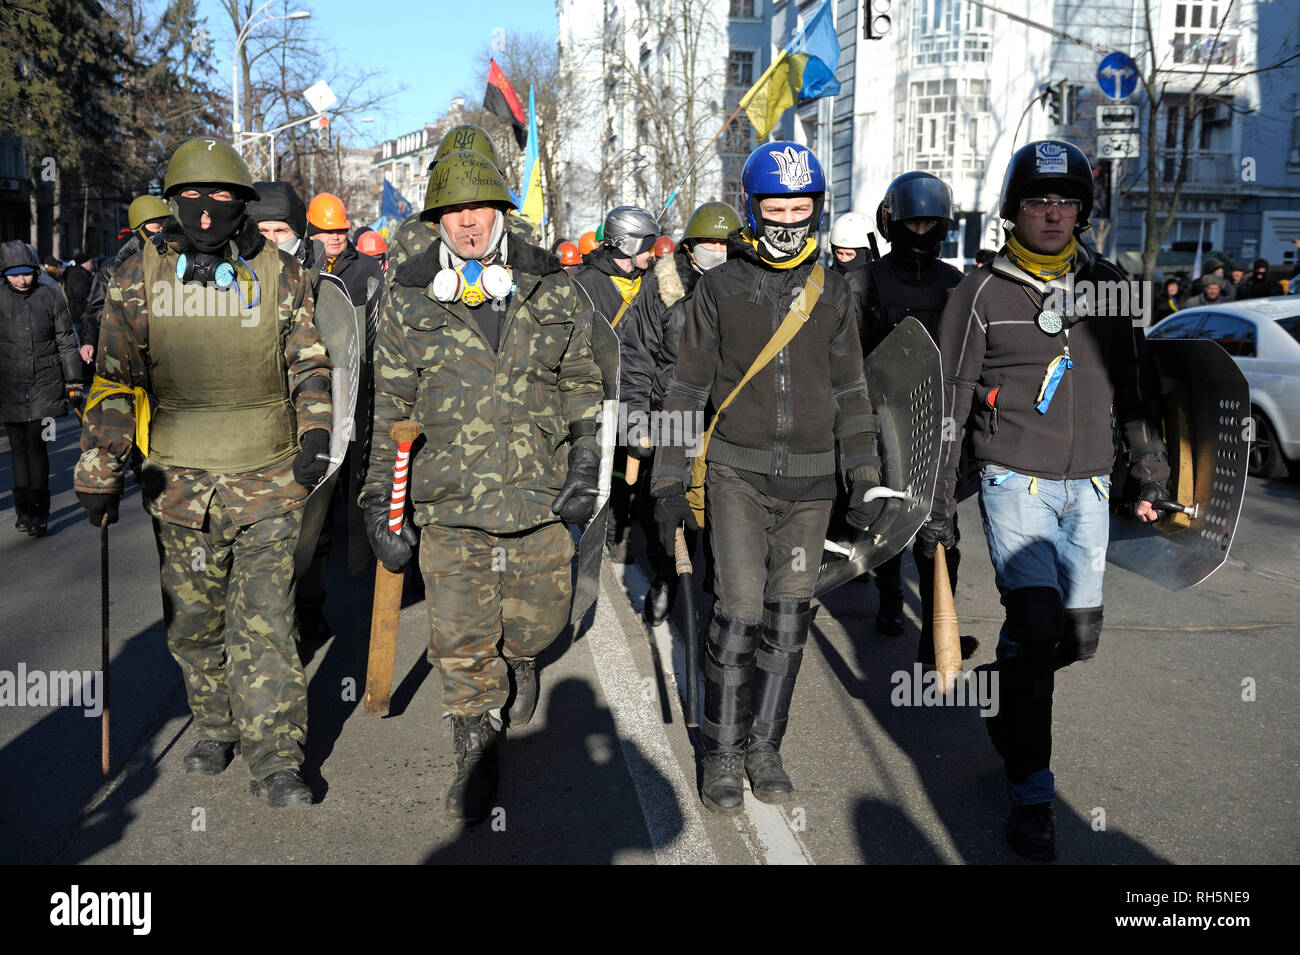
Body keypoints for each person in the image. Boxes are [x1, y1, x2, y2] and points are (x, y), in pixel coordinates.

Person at [925, 140, 1169, 860]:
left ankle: (1009, 683)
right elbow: (950, 396)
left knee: (1075, 640)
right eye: (1039, 200)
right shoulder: (978, 294)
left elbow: (1135, 388)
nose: (1054, 213)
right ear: (1014, 210)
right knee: (1035, 623)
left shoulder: (1109, 286)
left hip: (1091, 482)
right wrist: (936, 498)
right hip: (1015, 478)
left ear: (1082, 211)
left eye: (1066, 201)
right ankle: (1032, 796)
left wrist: (1148, 469)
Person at [73, 137, 333, 808]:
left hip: (269, 476)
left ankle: (277, 757)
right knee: (193, 621)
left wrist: (316, 433)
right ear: (172, 202)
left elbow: (308, 360)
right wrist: (101, 461)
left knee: (267, 621)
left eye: (223, 197)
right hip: (180, 481)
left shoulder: (280, 272)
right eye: (191, 197)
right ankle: (215, 724)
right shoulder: (137, 278)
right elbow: (114, 381)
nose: (207, 210)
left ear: (243, 203)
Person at [363, 149, 603, 822]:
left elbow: (581, 375)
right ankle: (475, 743)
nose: (468, 223)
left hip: (539, 492)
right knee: (462, 639)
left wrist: (586, 457)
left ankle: (521, 659)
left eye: (479, 208)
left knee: (538, 621)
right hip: (450, 498)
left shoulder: (549, 281)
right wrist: (380, 501)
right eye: (454, 211)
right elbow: (391, 406)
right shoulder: (410, 293)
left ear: (501, 210)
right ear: (438, 217)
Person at [652, 141, 883, 815]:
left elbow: (851, 388)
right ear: (753, 209)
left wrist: (863, 469)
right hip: (736, 474)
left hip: (813, 487)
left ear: (817, 209)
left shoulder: (836, 290)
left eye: (800, 206)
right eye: (775, 206)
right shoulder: (720, 288)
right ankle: (721, 751)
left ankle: (764, 745)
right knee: (739, 613)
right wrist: (667, 477)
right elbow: (685, 384)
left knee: (788, 620)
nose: (787, 219)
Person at [856, 172, 968, 664]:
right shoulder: (866, 280)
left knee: (940, 525)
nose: (922, 232)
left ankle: (939, 628)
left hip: (942, 419)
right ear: (894, 223)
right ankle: (888, 597)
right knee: (894, 513)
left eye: (931, 223)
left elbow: (972, 354)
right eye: (913, 222)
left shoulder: (955, 284)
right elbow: (848, 355)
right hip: (885, 418)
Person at [620, 200, 742, 625]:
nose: (718, 248)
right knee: (662, 510)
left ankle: (720, 591)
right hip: (671, 415)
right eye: (709, 241)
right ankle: (665, 577)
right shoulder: (662, 287)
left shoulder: (748, 285)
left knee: (724, 510)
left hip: (727, 420)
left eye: (725, 242)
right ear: (690, 246)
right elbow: (634, 357)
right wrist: (635, 424)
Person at [297, 191, 385, 642]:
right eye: (326, 231)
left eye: (340, 230)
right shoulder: (296, 272)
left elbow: (379, 332)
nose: (335, 238)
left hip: (354, 394)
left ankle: (321, 598)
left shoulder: (366, 272)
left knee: (346, 488)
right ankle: (304, 599)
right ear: (311, 231)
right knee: (311, 498)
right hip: (309, 396)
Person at [573, 204, 661, 561]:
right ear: (626, 245)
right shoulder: (586, 284)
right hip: (601, 395)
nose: (653, 251)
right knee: (601, 468)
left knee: (634, 466)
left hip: (640, 393)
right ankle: (602, 531)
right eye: (647, 243)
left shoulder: (653, 282)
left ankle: (622, 532)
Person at [1, 241, 82, 537]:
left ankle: (39, 511)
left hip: (46, 386)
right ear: (4, 274)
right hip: (10, 388)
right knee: (18, 448)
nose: (22, 280)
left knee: (38, 445)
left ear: (35, 271)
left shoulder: (50, 296)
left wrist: (73, 381)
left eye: (26, 273)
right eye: (14, 274)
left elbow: (65, 340)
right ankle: (22, 509)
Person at [81, 196, 173, 378]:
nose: (161, 231)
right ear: (139, 229)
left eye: (165, 226)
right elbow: (96, 310)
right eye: (156, 226)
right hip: (129, 355)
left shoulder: (176, 262)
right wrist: (89, 341)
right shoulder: (113, 269)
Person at [248, 181, 312, 269]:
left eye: (280, 231)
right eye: (262, 231)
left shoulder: (318, 281)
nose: (272, 239)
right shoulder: (232, 279)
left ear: (297, 234)